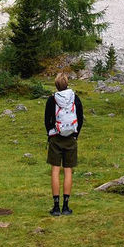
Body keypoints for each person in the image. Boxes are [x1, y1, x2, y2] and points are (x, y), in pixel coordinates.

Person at [45, 72, 83, 216]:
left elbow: (47, 120)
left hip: (55, 138)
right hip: (71, 138)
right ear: (67, 84)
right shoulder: (75, 98)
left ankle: (56, 207)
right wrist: (75, 135)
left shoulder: (52, 100)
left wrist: (50, 134)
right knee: (68, 171)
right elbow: (80, 118)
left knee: (55, 171)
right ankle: (66, 207)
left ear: (56, 85)